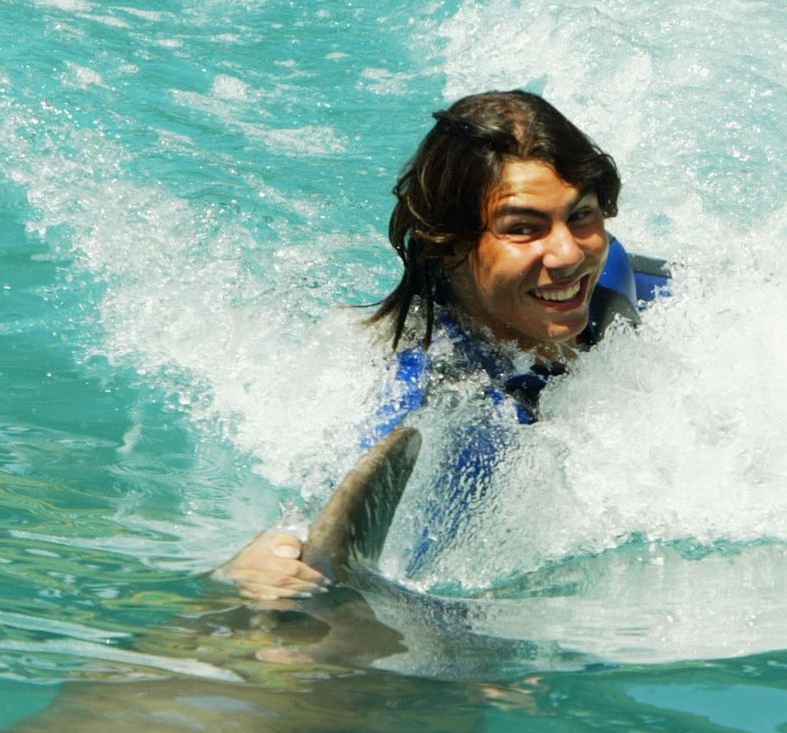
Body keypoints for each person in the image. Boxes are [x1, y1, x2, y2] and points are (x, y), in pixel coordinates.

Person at [218, 90, 641, 604]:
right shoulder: (438, 404)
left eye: (581, 216)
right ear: (449, 245)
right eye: (523, 229)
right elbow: (349, 541)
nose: (569, 253)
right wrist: (270, 570)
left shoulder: (614, 278)